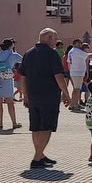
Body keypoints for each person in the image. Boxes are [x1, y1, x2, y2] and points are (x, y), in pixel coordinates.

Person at [22, 28, 72, 169]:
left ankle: (41, 155)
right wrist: (66, 93)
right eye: (54, 38)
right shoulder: (51, 54)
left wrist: (25, 95)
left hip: (33, 95)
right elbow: (58, 76)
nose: (55, 41)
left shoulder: (28, 53)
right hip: (49, 96)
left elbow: (23, 77)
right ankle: (37, 158)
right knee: (47, 126)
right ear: (49, 38)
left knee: (36, 127)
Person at [0, 38, 22, 130]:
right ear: (11, 45)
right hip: (7, 79)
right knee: (10, 102)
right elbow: (24, 61)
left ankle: (0, 123)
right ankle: (14, 123)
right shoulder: (14, 55)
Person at [66, 40, 92, 109]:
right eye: (79, 43)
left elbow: (68, 62)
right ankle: (74, 104)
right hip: (78, 72)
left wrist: (70, 71)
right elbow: (89, 56)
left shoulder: (71, 51)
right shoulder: (77, 51)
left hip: (74, 72)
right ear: (74, 44)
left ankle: (73, 104)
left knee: (76, 89)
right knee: (77, 89)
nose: (80, 44)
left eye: (80, 43)